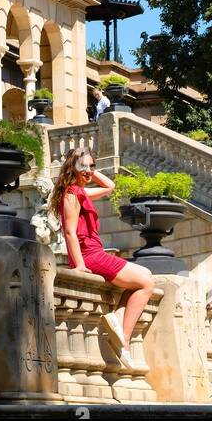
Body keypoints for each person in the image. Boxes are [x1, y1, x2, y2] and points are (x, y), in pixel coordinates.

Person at [50, 147, 158, 369]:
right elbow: (69, 231)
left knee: (143, 276)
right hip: (90, 256)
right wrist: (79, 264)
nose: (89, 171)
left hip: (95, 252)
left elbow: (110, 186)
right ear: (72, 168)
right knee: (146, 283)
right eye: (84, 166)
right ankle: (124, 341)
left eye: (93, 166)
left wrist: (88, 166)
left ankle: (117, 319)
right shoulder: (71, 194)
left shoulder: (80, 191)